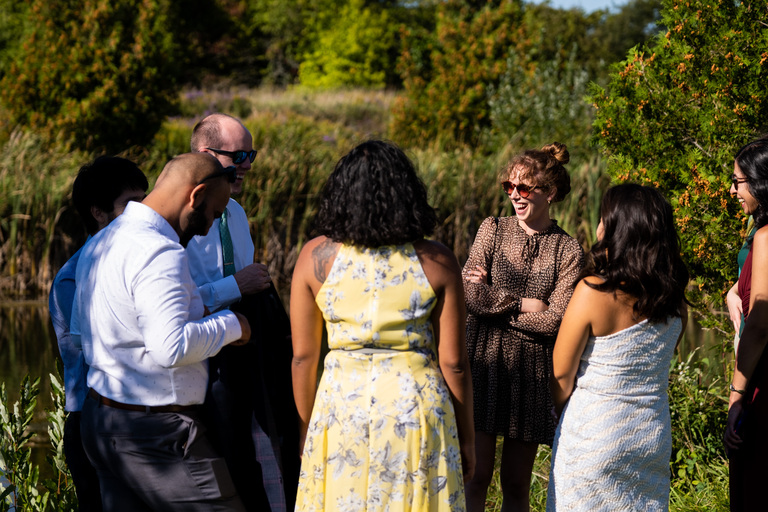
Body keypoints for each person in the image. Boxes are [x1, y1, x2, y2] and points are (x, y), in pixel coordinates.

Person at [290, 140, 475, 511]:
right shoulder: (436, 260)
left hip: (341, 404)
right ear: (407, 194)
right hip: (415, 406)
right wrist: (465, 437)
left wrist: (306, 429)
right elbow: (453, 362)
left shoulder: (315, 258)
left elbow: (303, 359)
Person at [71, 153, 251, 511]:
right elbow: (171, 347)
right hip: (156, 434)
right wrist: (236, 326)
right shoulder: (159, 251)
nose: (207, 227)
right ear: (195, 196)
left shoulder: (103, 241)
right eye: (214, 214)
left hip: (102, 419)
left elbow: (83, 332)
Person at [548, 184, 689, 512]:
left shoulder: (592, 292)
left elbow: (561, 376)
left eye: (602, 219)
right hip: (650, 436)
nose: (598, 227)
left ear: (617, 229)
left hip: (594, 434)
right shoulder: (674, 301)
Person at [462, 142, 583, 511]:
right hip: (482, 362)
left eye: (524, 188)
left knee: (516, 483)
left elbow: (557, 321)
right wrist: (523, 304)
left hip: (530, 373)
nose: (515, 195)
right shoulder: (492, 229)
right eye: (509, 187)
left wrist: (492, 299)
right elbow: (469, 296)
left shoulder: (568, 250)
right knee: (475, 474)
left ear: (550, 192)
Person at [188, 112, 299, 512]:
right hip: (201, 361)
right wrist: (237, 286)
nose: (248, 164)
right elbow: (179, 302)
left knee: (262, 452)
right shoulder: (177, 219)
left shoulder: (234, 212)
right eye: (239, 154)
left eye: (251, 153)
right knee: (226, 461)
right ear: (206, 153)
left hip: (245, 349)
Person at [48, 156, 148, 511]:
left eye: (145, 201)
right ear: (98, 212)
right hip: (96, 422)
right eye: (130, 205)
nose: (142, 213)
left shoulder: (137, 262)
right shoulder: (74, 277)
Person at [724, 137, 768, 512]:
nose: (733, 189)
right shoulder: (759, 232)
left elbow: (760, 325)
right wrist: (735, 289)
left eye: (738, 181)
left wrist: (737, 395)